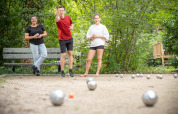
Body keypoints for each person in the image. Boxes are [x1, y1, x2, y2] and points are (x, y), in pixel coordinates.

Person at [55, 5, 74, 77]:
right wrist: (57, 14)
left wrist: (72, 27)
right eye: (59, 10)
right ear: (58, 11)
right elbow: (57, 19)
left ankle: (70, 70)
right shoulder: (58, 19)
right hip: (62, 39)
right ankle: (62, 71)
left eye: (62, 10)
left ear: (64, 11)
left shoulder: (68, 17)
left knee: (70, 53)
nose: (61, 12)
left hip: (69, 37)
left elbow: (71, 24)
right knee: (63, 54)